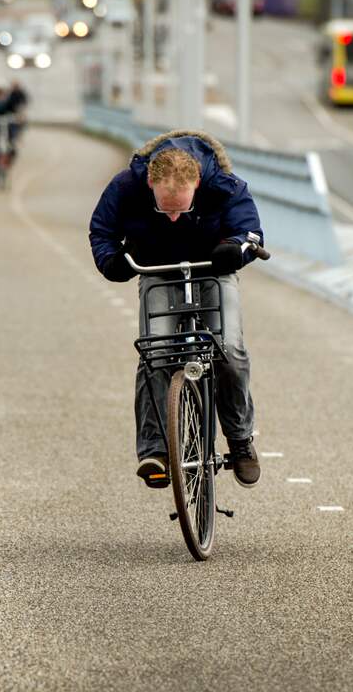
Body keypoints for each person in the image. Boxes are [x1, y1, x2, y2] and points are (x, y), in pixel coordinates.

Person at [88, 130, 264, 489]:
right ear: (150, 181)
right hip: (157, 271)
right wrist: (113, 261)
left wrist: (236, 248)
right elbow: (102, 232)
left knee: (229, 349)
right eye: (163, 209)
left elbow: (251, 233)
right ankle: (155, 450)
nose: (172, 219)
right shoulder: (125, 186)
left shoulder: (226, 186)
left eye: (181, 209)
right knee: (157, 352)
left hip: (213, 270)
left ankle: (240, 438)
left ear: (197, 182)